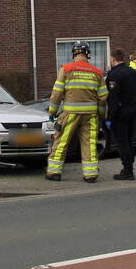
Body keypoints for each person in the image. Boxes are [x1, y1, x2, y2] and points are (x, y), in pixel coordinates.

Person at [46, 41, 108, 183]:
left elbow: (57, 93)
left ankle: (54, 173)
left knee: (61, 142)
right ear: (87, 54)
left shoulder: (66, 69)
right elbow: (103, 98)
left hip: (70, 114)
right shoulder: (97, 73)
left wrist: (52, 112)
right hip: (90, 115)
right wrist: (101, 116)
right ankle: (90, 174)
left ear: (74, 53)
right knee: (90, 144)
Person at [106, 48, 136, 180]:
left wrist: (109, 119)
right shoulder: (132, 72)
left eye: (110, 59)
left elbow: (113, 98)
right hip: (133, 109)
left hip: (121, 112)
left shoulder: (114, 75)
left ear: (113, 59)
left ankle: (128, 170)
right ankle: (130, 165)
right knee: (129, 139)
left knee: (122, 141)